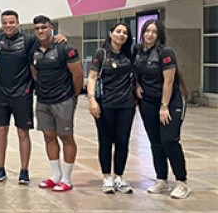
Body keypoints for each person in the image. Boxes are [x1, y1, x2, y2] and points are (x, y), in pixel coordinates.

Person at [134, 19, 190, 199]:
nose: (149, 35)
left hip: (170, 102)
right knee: (155, 142)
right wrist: (136, 85)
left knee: (169, 140)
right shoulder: (138, 52)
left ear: (159, 35)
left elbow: (169, 81)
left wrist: (164, 106)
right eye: (147, 31)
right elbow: (132, 71)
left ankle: (182, 182)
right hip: (147, 102)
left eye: (154, 32)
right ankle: (162, 180)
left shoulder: (166, 52)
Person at [30, 15, 83, 192]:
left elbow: (77, 75)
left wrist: (72, 96)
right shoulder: (34, 50)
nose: (41, 31)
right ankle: (56, 175)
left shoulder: (65, 48)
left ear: (51, 27)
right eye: (37, 28)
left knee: (66, 137)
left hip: (63, 100)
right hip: (43, 101)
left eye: (44, 27)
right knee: (48, 136)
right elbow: (35, 73)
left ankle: (67, 179)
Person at [87, 21, 136, 194]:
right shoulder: (101, 53)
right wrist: (92, 99)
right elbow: (92, 77)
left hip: (127, 105)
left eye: (125, 32)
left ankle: (119, 177)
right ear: (110, 33)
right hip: (105, 104)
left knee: (123, 141)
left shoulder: (129, 54)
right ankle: (107, 177)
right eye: (118, 31)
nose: (121, 35)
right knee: (106, 141)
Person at [0, 10, 36, 184]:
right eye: (5, 23)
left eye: (11, 22)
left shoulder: (29, 40)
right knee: (1, 131)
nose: (8, 26)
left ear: (18, 23)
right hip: (1, 92)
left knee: (22, 132)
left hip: (22, 93)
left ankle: (24, 171)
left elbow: (44, 46)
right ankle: (0, 168)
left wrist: (59, 37)